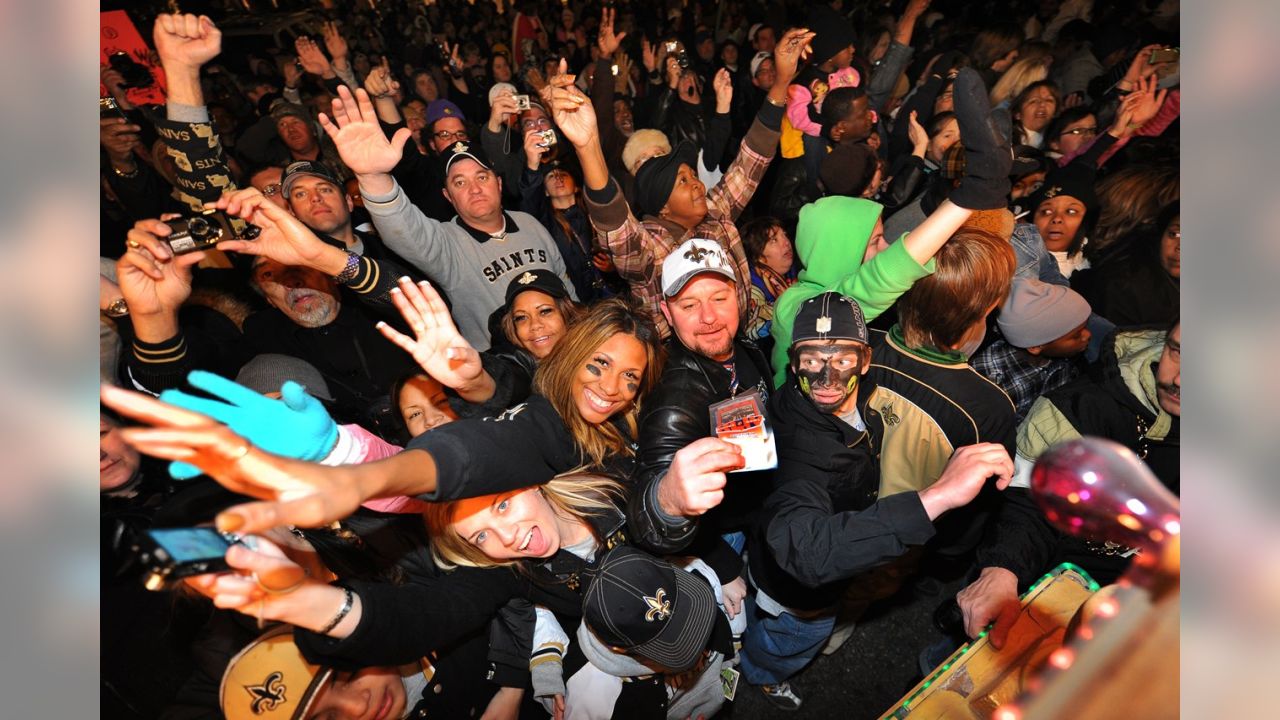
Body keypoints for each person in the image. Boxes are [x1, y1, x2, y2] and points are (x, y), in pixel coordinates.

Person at [744, 292, 1014, 709]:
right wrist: (935, 497)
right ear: (794, 362)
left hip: (837, 550)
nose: (826, 378)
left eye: (843, 359)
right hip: (798, 593)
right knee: (796, 637)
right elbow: (809, 552)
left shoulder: (863, 393)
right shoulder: (803, 447)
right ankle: (759, 673)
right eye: (811, 360)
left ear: (867, 360)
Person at [552, 27, 816, 338]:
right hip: (684, 369)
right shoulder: (650, 248)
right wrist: (587, 146)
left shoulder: (716, 215)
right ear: (662, 206)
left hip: (741, 346)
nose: (699, 185)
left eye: (693, 176)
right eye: (683, 180)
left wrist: (783, 81)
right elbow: (616, 227)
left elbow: (752, 158)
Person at [771, 68, 1017, 388]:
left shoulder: (878, 312)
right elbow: (864, 290)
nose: (885, 246)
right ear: (840, 250)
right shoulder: (794, 305)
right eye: (874, 242)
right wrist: (970, 194)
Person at [953, 322, 1180, 651]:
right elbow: (1032, 502)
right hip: (1047, 583)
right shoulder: (1083, 406)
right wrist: (1002, 569)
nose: (1178, 380)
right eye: (1177, 351)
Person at [320, 84, 577, 350]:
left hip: (569, 354)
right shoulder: (447, 244)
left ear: (498, 183)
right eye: (460, 183)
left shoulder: (529, 223)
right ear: (448, 196)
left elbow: (566, 289)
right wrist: (372, 177)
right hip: (511, 375)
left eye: (481, 177)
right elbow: (402, 226)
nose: (475, 188)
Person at [971, 278, 1093, 422]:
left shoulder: (1066, 355)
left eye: (1085, 327)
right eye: (1076, 335)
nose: (1088, 335)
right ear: (1035, 347)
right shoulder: (991, 382)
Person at [739, 216, 797, 346]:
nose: (787, 242)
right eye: (774, 240)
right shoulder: (751, 291)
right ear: (758, 255)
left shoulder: (793, 270)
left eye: (785, 235)